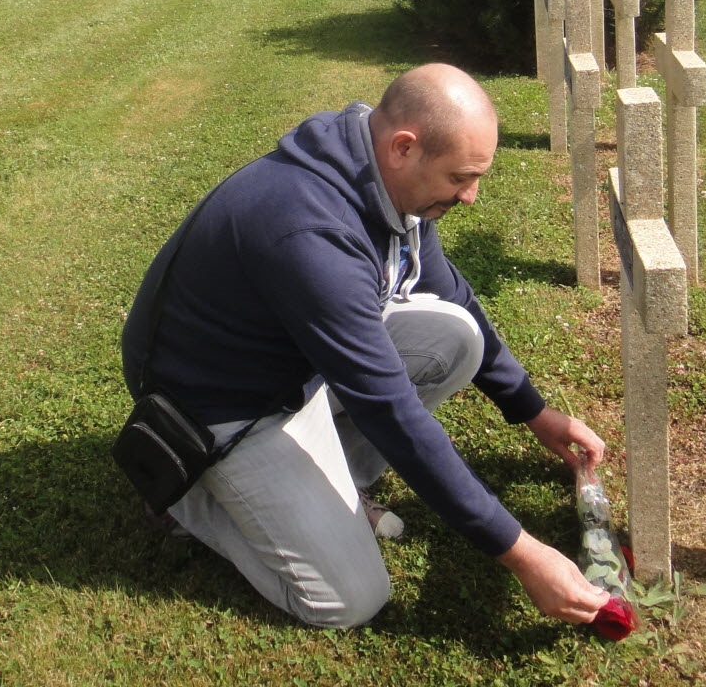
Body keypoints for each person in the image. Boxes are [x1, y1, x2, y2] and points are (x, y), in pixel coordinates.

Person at [120, 63, 611, 629]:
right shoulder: (310, 234)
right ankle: (189, 497)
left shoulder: (381, 173)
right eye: (461, 177)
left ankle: (338, 489)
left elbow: (445, 288)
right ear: (405, 146)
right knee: (349, 599)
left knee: (455, 335)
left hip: (284, 364)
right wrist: (521, 553)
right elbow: (390, 410)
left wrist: (535, 412)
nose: (471, 196)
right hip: (216, 407)